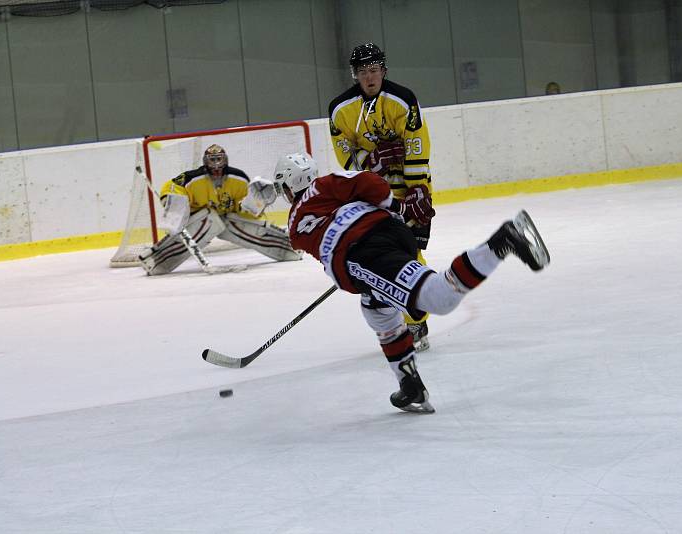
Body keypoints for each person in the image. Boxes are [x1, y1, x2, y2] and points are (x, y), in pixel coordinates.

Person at [273, 152, 550, 413]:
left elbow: (328, 246)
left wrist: (346, 265)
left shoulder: (297, 222)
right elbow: (371, 183)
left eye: (282, 186)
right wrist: (399, 208)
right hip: (388, 236)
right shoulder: (328, 185)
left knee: (438, 298)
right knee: (376, 310)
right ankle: (410, 386)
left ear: (290, 183)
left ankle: (502, 241)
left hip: (364, 251)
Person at [328, 42, 434, 352]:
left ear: (383, 71)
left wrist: (417, 191)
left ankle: (415, 320)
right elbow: (345, 156)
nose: (370, 77)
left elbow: (416, 146)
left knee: (409, 250)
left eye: (374, 70)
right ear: (355, 75)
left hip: (408, 187)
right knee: (383, 255)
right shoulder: (340, 109)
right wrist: (373, 160)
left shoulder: (402, 99)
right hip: (369, 193)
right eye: (363, 72)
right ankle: (409, 318)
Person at [139, 144, 301, 275]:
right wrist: (172, 201)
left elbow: (245, 210)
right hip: (195, 217)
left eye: (219, 160)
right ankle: (156, 260)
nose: (216, 166)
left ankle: (287, 247)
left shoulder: (238, 179)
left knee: (236, 224)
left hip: (224, 218)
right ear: (205, 163)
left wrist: (257, 202)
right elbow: (172, 185)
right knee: (209, 219)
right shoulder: (192, 178)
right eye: (212, 161)